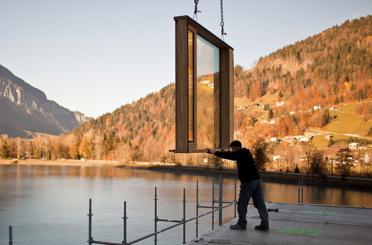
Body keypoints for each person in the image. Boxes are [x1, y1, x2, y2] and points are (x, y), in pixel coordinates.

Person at [206, 140, 269, 231]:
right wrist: (220, 152)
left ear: (237, 147)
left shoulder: (240, 153)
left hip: (249, 182)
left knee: (242, 203)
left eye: (232, 148)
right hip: (257, 180)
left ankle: (241, 223)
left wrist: (214, 152)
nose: (232, 150)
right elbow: (230, 154)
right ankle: (265, 224)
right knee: (259, 203)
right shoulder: (245, 153)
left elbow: (230, 155)